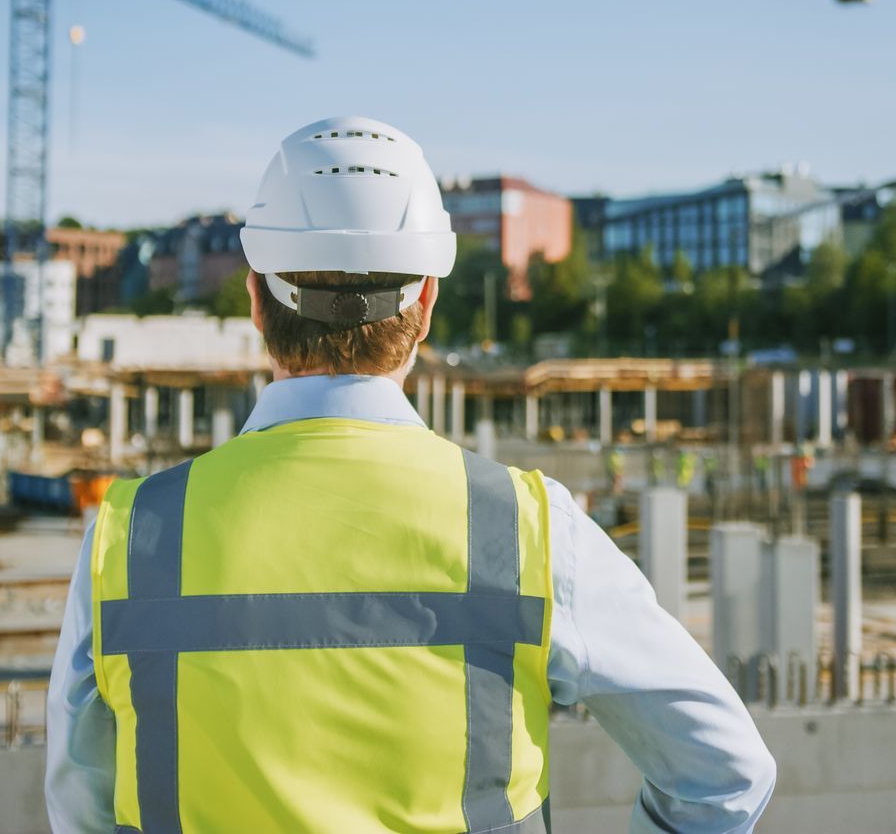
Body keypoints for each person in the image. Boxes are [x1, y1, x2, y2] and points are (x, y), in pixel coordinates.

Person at [46, 117, 775, 833]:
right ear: (425, 305)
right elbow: (727, 772)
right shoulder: (527, 529)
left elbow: (81, 807)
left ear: (256, 303)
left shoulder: (131, 537)